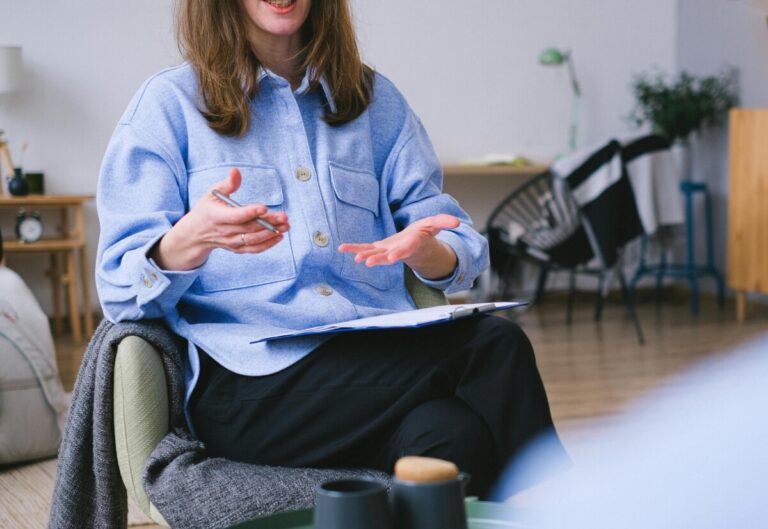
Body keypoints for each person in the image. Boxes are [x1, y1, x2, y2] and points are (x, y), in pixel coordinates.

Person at [95, 0, 565, 498]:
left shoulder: (376, 102)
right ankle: (574, 510)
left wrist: (423, 251)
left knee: (452, 436)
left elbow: (456, 241)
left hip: (377, 370)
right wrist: (188, 241)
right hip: (250, 388)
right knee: (496, 346)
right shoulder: (167, 104)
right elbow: (119, 289)